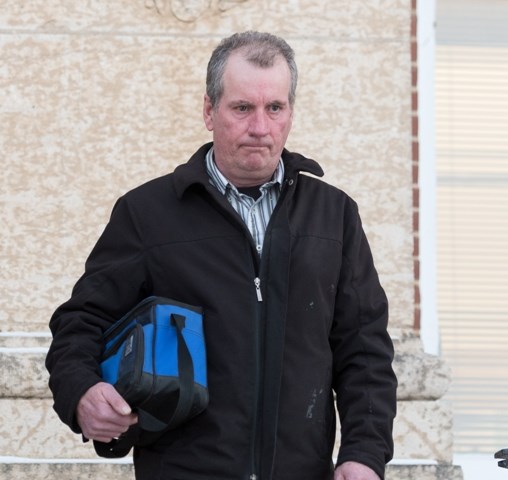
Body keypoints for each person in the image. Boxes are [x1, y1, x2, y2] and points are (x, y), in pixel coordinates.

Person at [46, 31, 397, 480]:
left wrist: (364, 455)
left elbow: (364, 348)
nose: (260, 127)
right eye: (242, 108)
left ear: (290, 112)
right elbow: (80, 324)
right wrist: (82, 392)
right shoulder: (147, 213)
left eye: (275, 108)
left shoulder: (334, 215)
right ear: (209, 111)